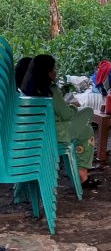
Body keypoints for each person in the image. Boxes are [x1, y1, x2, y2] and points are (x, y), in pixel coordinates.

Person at [20, 55, 99, 188]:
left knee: (87, 130)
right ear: (48, 72)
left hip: (36, 134)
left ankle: (83, 174)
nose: (55, 71)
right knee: (88, 112)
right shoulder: (51, 90)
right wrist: (73, 107)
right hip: (56, 133)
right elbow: (67, 115)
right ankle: (82, 171)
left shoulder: (24, 91)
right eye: (54, 68)